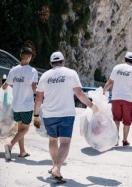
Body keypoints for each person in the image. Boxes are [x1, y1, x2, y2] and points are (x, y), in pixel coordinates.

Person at [33, 51, 99, 183]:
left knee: (52, 140)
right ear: (63, 61)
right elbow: (79, 94)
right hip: (66, 114)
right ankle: (57, 168)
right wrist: (92, 106)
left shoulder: (45, 76)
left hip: (49, 114)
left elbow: (39, 98)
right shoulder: (71, 73)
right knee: (64, 142)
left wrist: (35, 115)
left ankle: (54, 166)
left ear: (51, 63)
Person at [103, 51, 132, 146]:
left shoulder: (116, 68)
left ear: (124, 59)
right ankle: (124, 140)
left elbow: (110, 82)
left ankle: (115, 140)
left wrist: (103, 91)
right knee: (127, 121)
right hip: (127, 99)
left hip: (115, 98)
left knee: (116, 119)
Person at [2, 47, 38, 160]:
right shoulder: (32, 71)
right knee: (25, 129)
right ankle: (10, 145)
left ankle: (22, 152)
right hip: (26, 106)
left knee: (20, 129)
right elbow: (34, 88)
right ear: (29, 57)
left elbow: (4, 87)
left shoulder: (13, 70)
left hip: (16, 106)